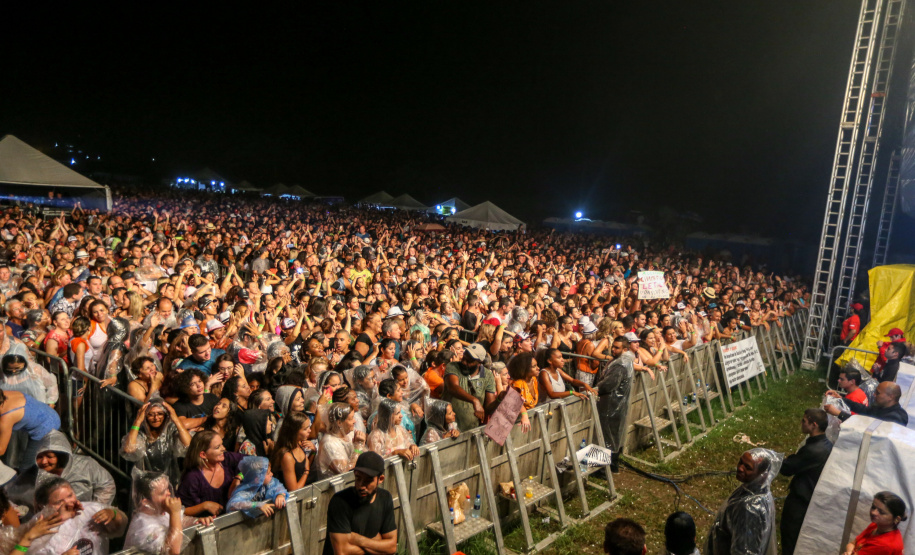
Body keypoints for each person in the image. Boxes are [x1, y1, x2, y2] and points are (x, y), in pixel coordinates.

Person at [706, 448, 782, 555]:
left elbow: (744, 551)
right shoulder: (760, 491)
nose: (740, 468)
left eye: (748, 467)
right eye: (741, 462)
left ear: (762, 475)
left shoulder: (749, 508)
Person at [779, 408, 833, 555]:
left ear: (813, 424)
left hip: (800, 500)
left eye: (804, 421)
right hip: (811, 497)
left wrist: (774, 460)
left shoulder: (813, 450)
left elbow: (787, 468)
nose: (801, 423)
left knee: (790, 536)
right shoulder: (827, 444)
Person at [26, 476, 128, 555]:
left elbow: (120, 526)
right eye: (58, 502)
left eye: (70, 495)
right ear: (44, 506)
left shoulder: (91, 509)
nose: (68, 503)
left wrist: (113, 514)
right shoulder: (39, 526)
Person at [324, 451, 397, 555]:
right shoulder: (340, 502)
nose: (361, 486)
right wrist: (377, 542)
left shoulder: (385, 498)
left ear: (380, 479)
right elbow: (342, 552)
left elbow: (391, 547)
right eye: (358, 478)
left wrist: (357, 539)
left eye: (368, 480)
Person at [124, 471, 209, 555]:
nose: (169, 493)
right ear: (146, 502)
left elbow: (182, 521)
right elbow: (172, 551)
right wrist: (174, 513)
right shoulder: (141, 527)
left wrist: (198, 522)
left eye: (167, 489)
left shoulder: (163, 512)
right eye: (162, 493)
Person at [120, 400, 192, 486]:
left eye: (160, 414)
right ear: (145, 416)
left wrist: (175, 418)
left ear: (166, 415)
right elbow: (129, 449)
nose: (156, 418)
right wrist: (138, 421)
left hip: (170, 479)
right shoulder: (140, 432)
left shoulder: (170, 430)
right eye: (150, 414)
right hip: (146, 481)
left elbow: (188, 445)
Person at [177, 430, 246, 517]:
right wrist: (205, 506)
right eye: (217, 447)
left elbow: (261, 463)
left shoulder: (227, 459)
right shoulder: (192, 478)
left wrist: (238, 478)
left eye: (222, 444)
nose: (223, 448)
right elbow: (180, 511)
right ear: (203, 455)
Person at [595, 336, 634, 473]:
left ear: (624, 349)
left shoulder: (620, 364)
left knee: (607, 436)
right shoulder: (625, 360)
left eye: (617, 348)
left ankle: (606, 469)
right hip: (617, 404)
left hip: (611, 404)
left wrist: (594, 390)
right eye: (613, 346)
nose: (613, 349)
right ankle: (611, 467)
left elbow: (608, 385)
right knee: (613, 435)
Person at [442, 343, 497, 431]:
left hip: (471, 430)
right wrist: (474, 401)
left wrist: (500, 399)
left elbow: (488, 407)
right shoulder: (452, 367)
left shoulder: (488, 375)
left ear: (479, 363)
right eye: (464, 358)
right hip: (449, 428)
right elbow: (452, 387)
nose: (464, 362)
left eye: (469, 361)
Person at [843, 491, 906, 555]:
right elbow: (852, 543)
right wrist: (849, 552)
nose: (873, 512)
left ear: (897, 519)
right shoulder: (876, 525)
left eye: (881, 512)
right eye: (873, 507)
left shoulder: (885, 545)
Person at [825, 381, 908, 427]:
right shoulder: (881, 407)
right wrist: (841, 399)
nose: (874, 395)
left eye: (877, 393)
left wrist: (839, 413)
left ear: (890, 397)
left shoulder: (896, 418)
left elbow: (866, 426)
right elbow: (863, 409)